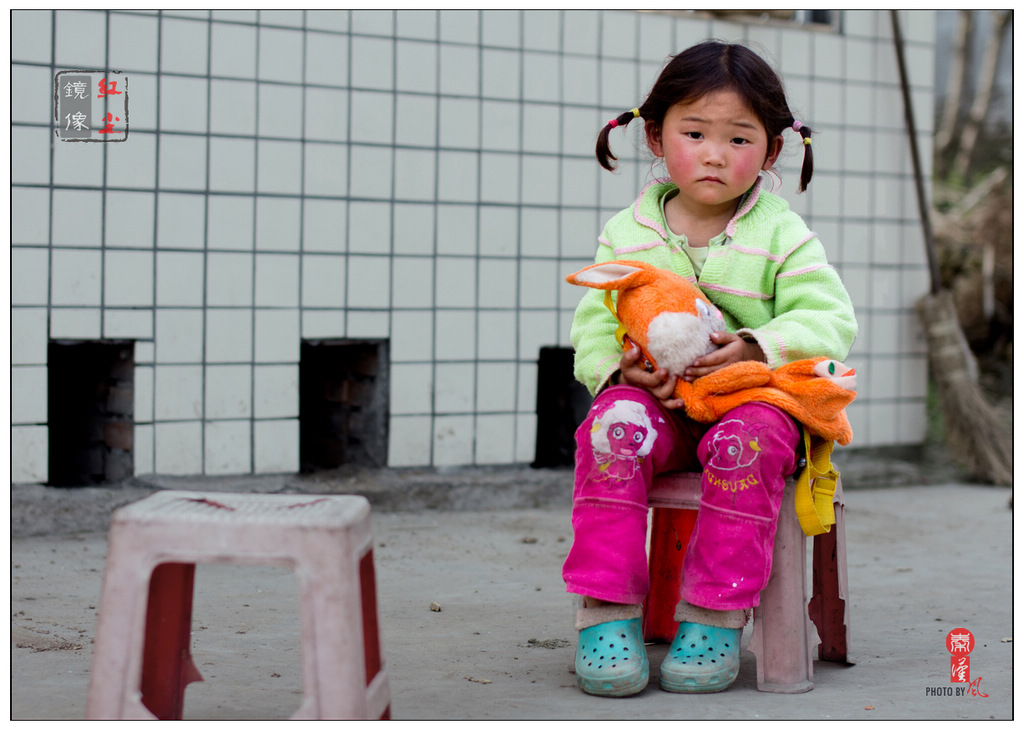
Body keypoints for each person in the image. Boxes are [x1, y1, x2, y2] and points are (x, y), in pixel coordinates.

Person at [563, 40, 857, 697]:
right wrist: (618, 372)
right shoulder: (628, 231)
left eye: (739, 139)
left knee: (746, 441)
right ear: (655, 136)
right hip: (661, 407)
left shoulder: (782, 235)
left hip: (750, 407)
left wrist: (759, 344)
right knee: (613, 431)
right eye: (694, 133)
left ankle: (715, 617)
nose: (715, 154)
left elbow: (831, 319)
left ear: (773, 151)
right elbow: (593, 319)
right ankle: (605, 615)